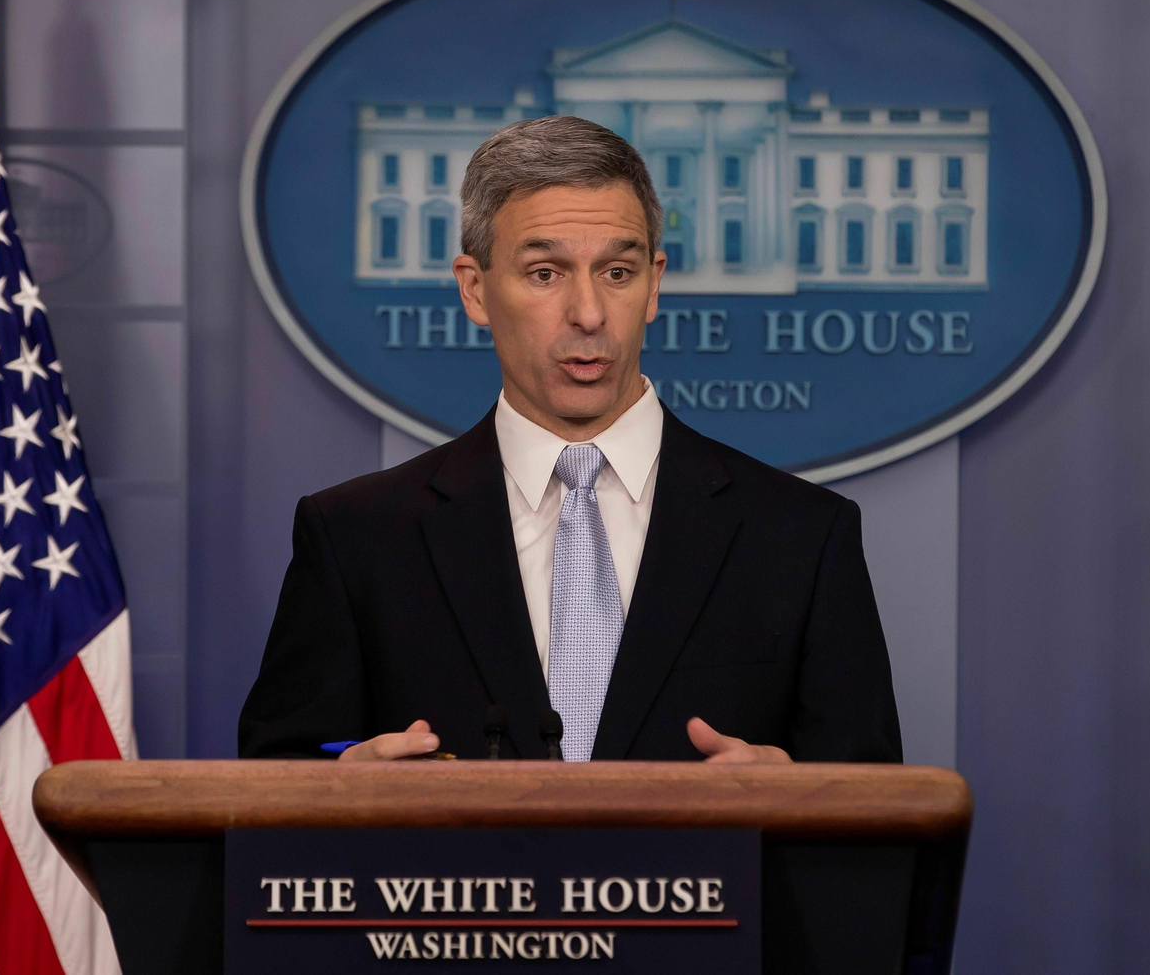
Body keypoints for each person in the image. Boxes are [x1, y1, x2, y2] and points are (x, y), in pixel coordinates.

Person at [238, 115, 901, 764]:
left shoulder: (801, 537)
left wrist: (796, 807)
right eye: (545, 274)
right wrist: (339, 798)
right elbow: (277, 788)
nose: (588, 315)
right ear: (474, 290)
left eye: (617, 272)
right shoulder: (356, 538)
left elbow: (876, 823)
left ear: (654, 285)